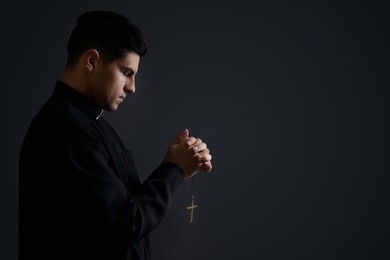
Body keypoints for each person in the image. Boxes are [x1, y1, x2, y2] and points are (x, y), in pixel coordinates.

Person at [19, 10, 212, 260]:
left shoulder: (89, 126)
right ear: (92, 61)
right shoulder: (64, 128)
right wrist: (174, 169)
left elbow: (126, 211)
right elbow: (125, 224)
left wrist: (175, 165)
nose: (132, 88)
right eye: (127, 73)